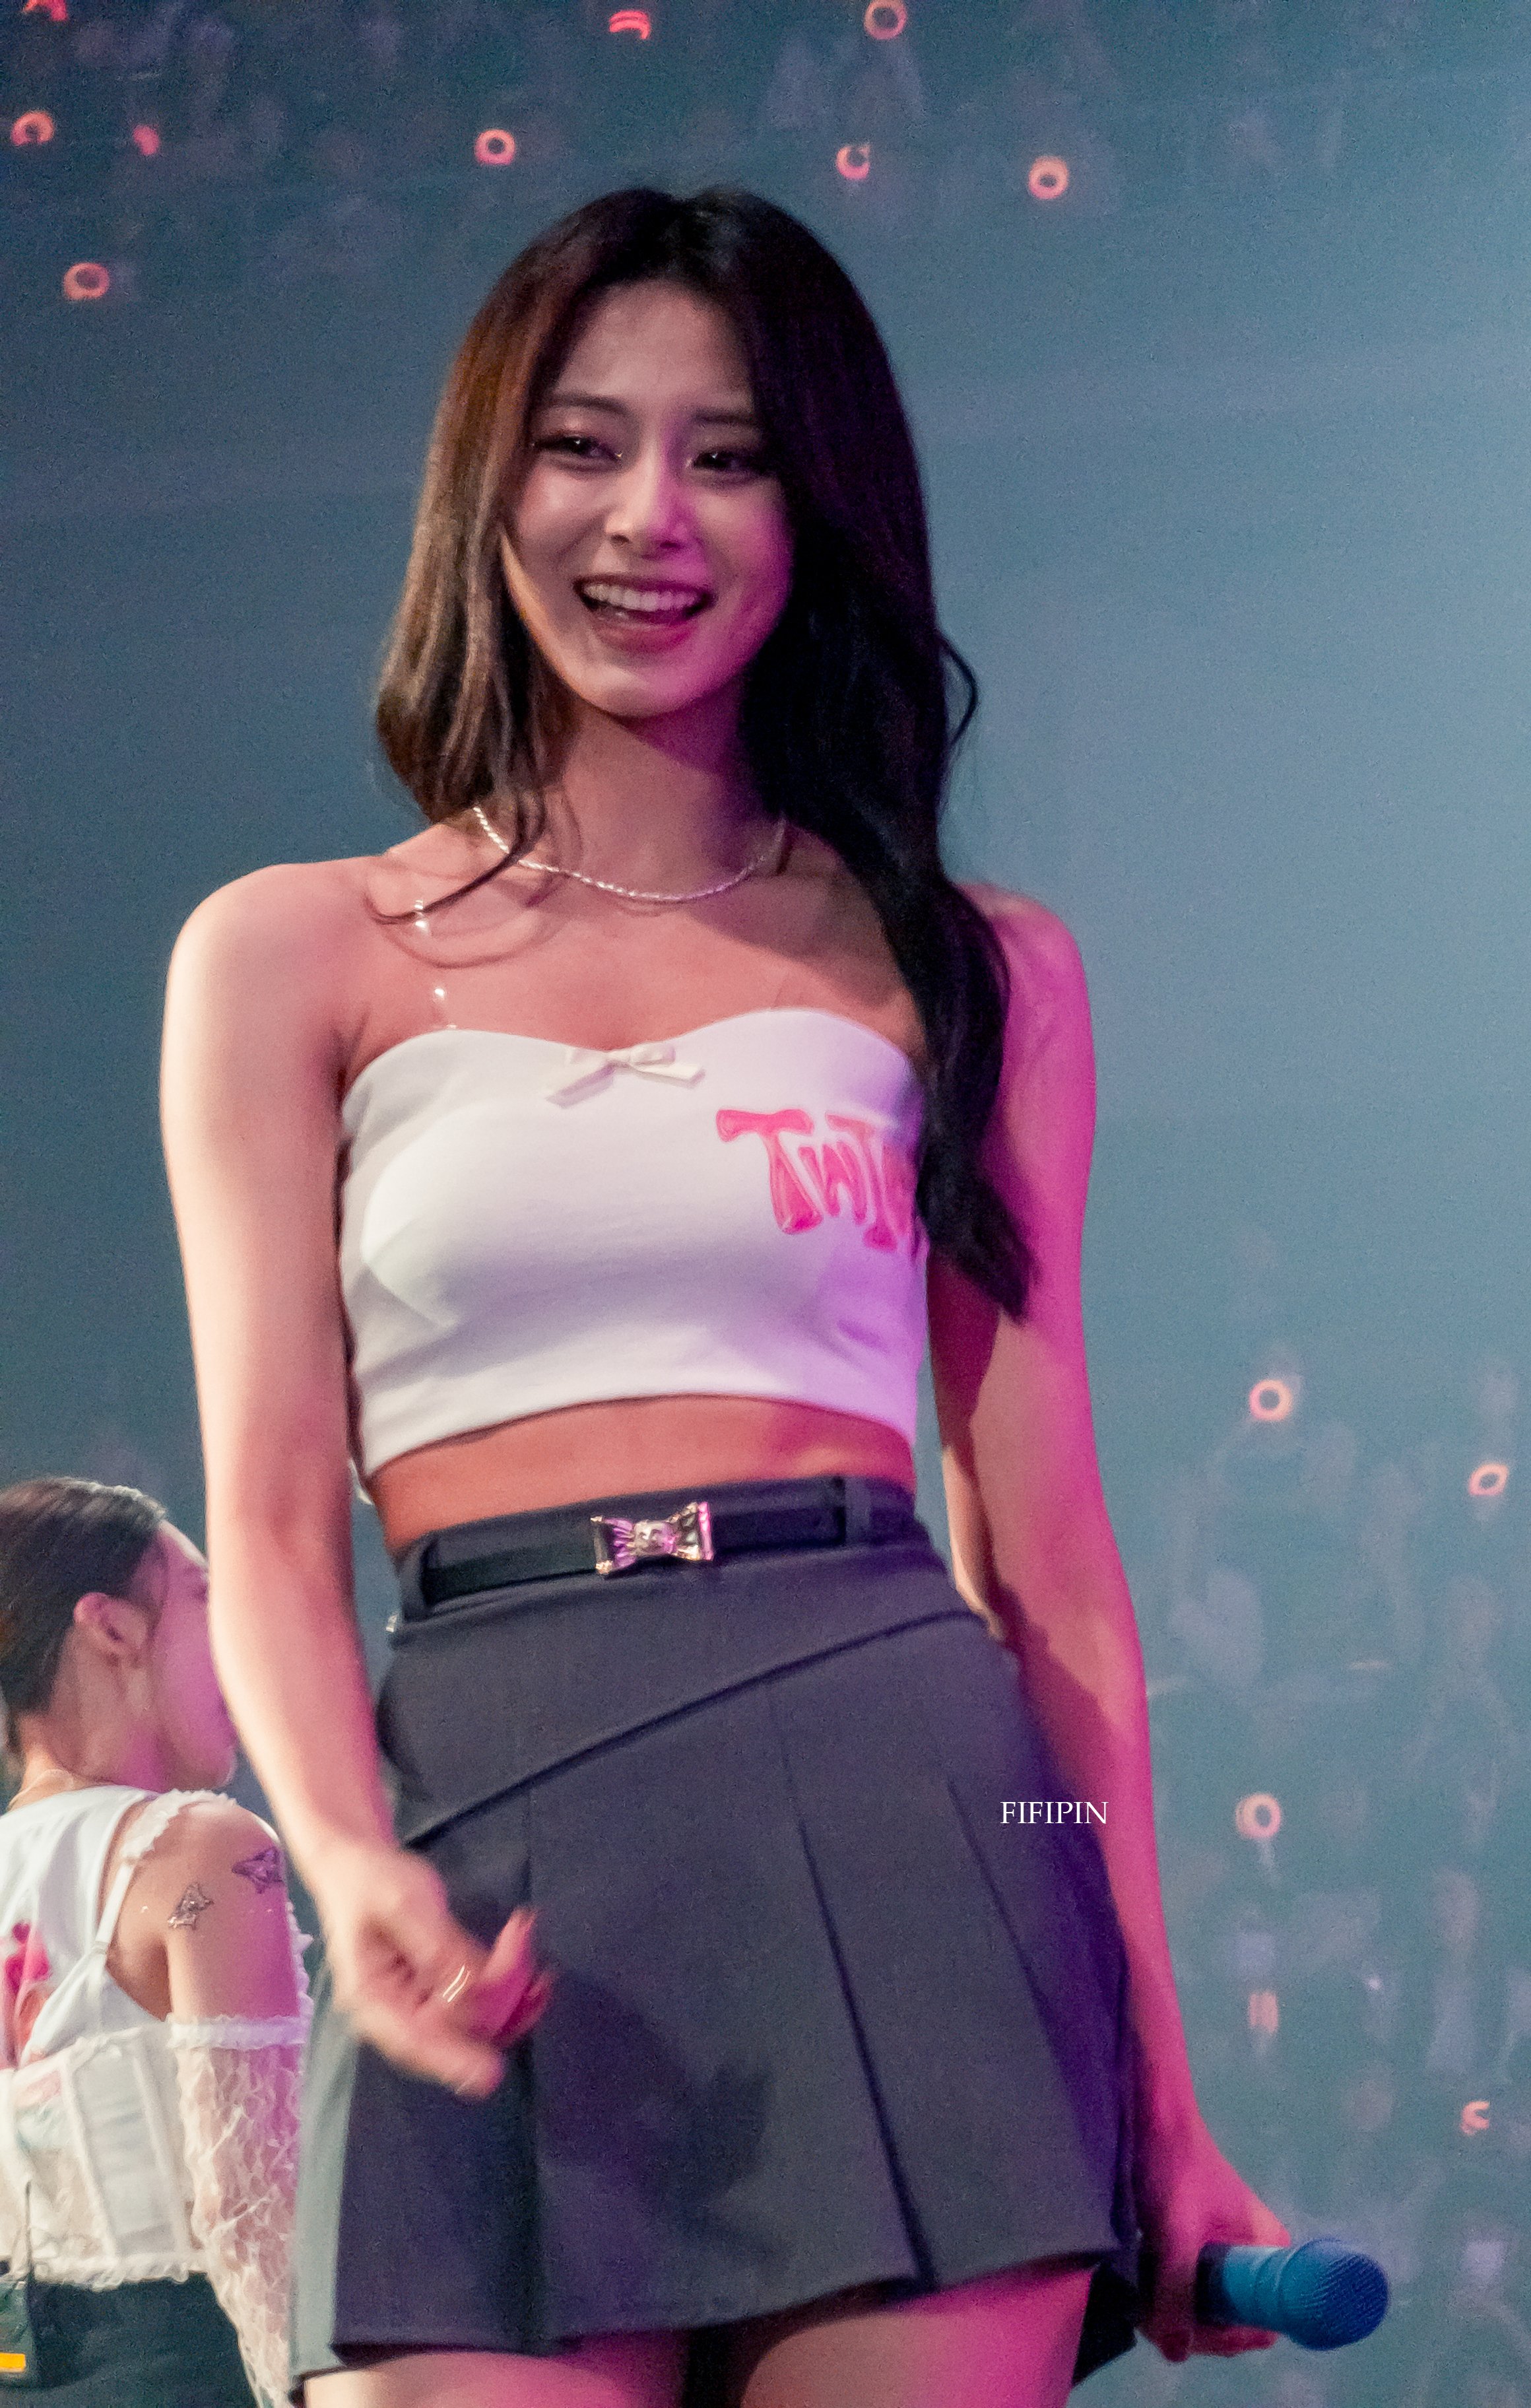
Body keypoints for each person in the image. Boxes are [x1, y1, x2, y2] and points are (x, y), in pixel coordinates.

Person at [159, 185, 1286, 2408]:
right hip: (487, 1822)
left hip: (904, 1800)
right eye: (581, 445)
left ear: (816, 507)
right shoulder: (291, 951)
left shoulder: (972, 967)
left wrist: (1167, 2091)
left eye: (729, 454)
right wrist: (347, 1859)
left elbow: (1051, 1572)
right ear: (487, 486)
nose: (645, 517)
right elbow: (274, 1521)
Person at [0, 1477, 311, 2405]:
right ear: (112, 1629)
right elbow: (253, 2211)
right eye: (207, 1598)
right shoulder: (205, 1850)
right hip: (183, 2359)